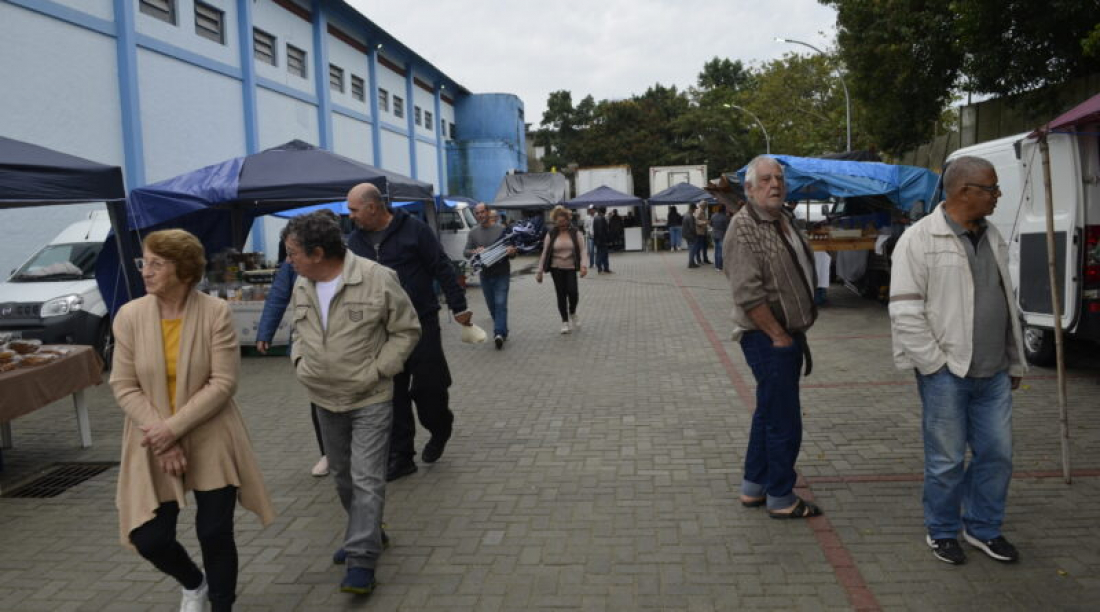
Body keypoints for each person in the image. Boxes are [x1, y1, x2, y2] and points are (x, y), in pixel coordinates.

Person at [111, 229, 275, 612]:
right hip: (149, 436)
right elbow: (123, 384)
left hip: (210, 432)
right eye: (143, 262)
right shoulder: (129, 316)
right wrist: (162, 436)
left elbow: (223, 383)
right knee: (149, 537)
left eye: (156, 263)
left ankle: (221, 604)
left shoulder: (215, 312)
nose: (145, 271)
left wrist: (173, 429)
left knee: (215, 531)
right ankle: (193, 583)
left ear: (184, 271)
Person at [889, 155, 1026, 565]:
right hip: (947, 373)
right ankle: (943, 530)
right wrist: (935, 365)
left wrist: (1013, 359)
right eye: (992, 188)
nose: (998, 196)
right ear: (964, 191)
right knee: (946, 461)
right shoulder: (919, 238)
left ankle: (983, 528)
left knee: (997, 455)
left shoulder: (993, 236)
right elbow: (904, 310)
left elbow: (1006, 302)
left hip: (994, 373)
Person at [284, 211, 421, 595]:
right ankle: (370, 529)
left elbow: (407, 329)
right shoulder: (302, 284)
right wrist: (301, 362)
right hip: (324, 397)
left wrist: (380, 371)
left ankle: (362, 558)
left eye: (293, 252)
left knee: (366, 477)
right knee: (342, 476)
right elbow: (299, 330)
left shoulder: (377, 278)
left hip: (370, 396)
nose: (288, 259)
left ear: (317, 251)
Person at [346, 183, 471, 482]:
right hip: (381, 330)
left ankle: (440, 427)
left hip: (421, 323)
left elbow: (441, 266)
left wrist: (459, 306)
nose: (350, 216)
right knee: (393, 393)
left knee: (428, 387)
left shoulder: (414, 230)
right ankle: (402, 457)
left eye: (353, 210)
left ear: (373, 207)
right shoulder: (355, 242)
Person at [724, 155, 821, 519]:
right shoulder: (743, 225)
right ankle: (781, 496)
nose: (775, 185)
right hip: (768, 339)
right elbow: (748, 293)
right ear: (749, 189)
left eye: (779, 178)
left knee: (768, 414)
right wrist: (778, 335)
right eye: (765, 180)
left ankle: (754, 486)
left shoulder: (783, 219)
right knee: (784, 421)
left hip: (785, 336)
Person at [256, 241, 329, 477]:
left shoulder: (348, 262)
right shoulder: (291, 266)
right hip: (310, 344)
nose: (288, 259)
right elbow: (278, 296)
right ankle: (328, 453)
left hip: (346, 342)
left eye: (292, 252)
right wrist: (265, 332)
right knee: (318, 398)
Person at [464, 202, 517, 349]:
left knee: (500, 303)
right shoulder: (473, 233)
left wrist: (512, 252)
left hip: (502, 273)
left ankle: (498, 333)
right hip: (485, 275)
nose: (480, 215)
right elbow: (466, 252)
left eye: (482, 212)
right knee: (492, 305)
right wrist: (474, 251)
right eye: (477, 213)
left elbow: (512, 251)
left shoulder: (502, 230)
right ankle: (503, 330)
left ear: (488, 212)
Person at [536, 205, 588, 333]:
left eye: (564, 221)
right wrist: (539, 271)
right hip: (556, 268)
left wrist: (583, 266)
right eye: (559, 222)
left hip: (570, 267)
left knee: (573, 292)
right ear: (555, 221)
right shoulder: (551, 233)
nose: (562, 224)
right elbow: (545, 252)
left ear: (568, 219)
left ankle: (573, 312)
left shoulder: (575, 232)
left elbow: (583, 250)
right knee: (561, 294)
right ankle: (565, 322)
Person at [710, 203, 730, 271]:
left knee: (716, 251)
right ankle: (719, 266)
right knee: (720, 252)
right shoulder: (725, 217)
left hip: (714, 234)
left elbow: (711, 224)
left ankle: (716, 266)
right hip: (722, 235)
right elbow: (727, 227)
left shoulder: (713, 215)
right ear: (724, 209)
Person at [592, 206, 612, 273]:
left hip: (597, 240)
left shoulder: (595, 218)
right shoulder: (602, 218)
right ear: (604, 211)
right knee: (603, 254)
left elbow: (595, 230)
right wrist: (606, 239)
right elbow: (602, 230)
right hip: (602, 240)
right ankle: (600, 266)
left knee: (600, 253)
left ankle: (604, 268)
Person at [683, 203, 700, 267]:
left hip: (686, 234)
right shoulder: (690, 216)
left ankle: (692, 262)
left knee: (691, 249)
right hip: (691, 235)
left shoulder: (685, 215)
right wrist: (696, 234)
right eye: (695, 209)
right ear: (692, 209)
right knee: (692, 250)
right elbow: (692, 227)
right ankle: (691, 263)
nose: (695, 210)